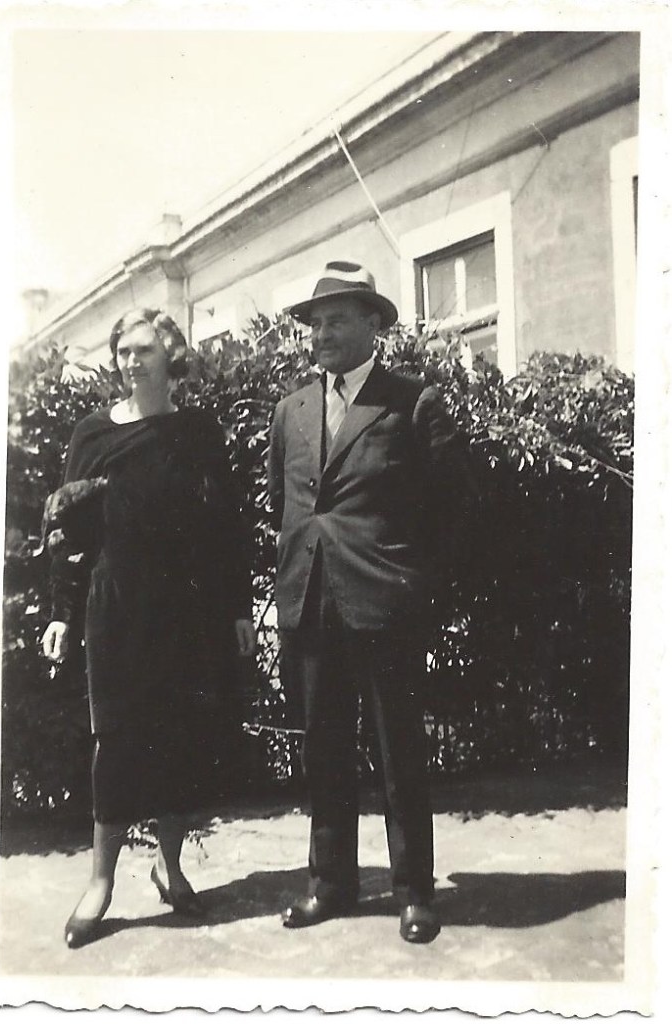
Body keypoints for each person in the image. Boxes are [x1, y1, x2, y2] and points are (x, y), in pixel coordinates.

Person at [268, 260, 476, 944]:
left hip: (386, 606)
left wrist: (417, 584)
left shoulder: (412, 402)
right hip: (312, 603)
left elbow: (454, 509)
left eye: (335, 321)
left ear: (373, 325)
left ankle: (415, 892)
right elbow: (288, 507)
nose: (320, 335)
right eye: (314, 324)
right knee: (322, 752)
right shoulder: (290, 410)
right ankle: (329, 885)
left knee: (398, 753)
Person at [41, 308, 256, 949]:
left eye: (142, 350)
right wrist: (59, 610)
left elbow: (226, 529)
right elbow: (68, 530)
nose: (131, 361)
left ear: (170, 356)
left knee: (181, 737)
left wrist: (239, 608)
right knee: (118, 740)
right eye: (122, 351)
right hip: (117, 609)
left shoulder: (197, 431)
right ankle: (101, 882)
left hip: (187, 612)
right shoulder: (92, 433)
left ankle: (171, 866)